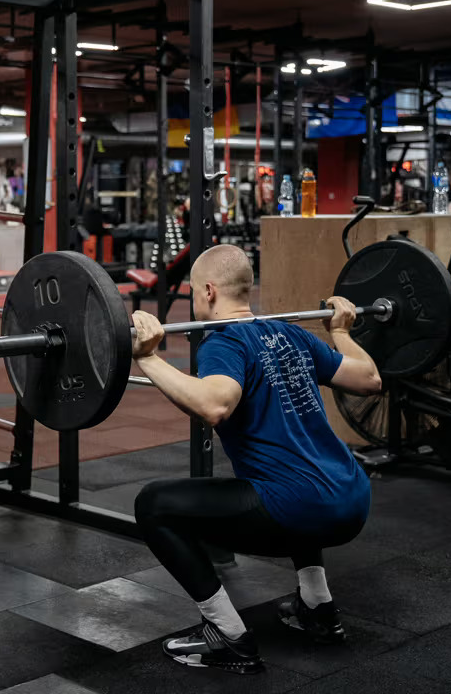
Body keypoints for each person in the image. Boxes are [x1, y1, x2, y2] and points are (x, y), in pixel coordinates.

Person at [130, 244, 380, 675]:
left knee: (154, 505)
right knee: (292, 479)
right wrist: (341, 331)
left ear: (208, 291)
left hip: (303, 508)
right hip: (353, 497)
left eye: (192, 291)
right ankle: (317, 609)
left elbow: (214, 405)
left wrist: (148, 357)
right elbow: (369, 378)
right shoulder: (291, 333)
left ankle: (227, 635)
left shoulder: (223, 342)